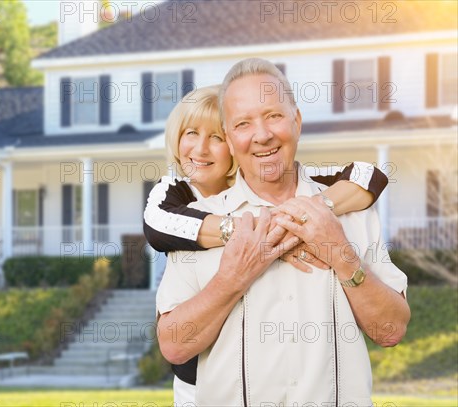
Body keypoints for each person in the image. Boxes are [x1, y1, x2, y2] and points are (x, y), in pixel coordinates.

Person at [155, 58, 410, 406]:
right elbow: (172, 343)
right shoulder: (201, 224)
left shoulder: (353, 212)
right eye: (244, 123)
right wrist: (233, 276)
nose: (262, 135)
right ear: (229, 139)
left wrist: (341, 254)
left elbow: (391, 330)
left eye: (273, 116)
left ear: (297, 121)